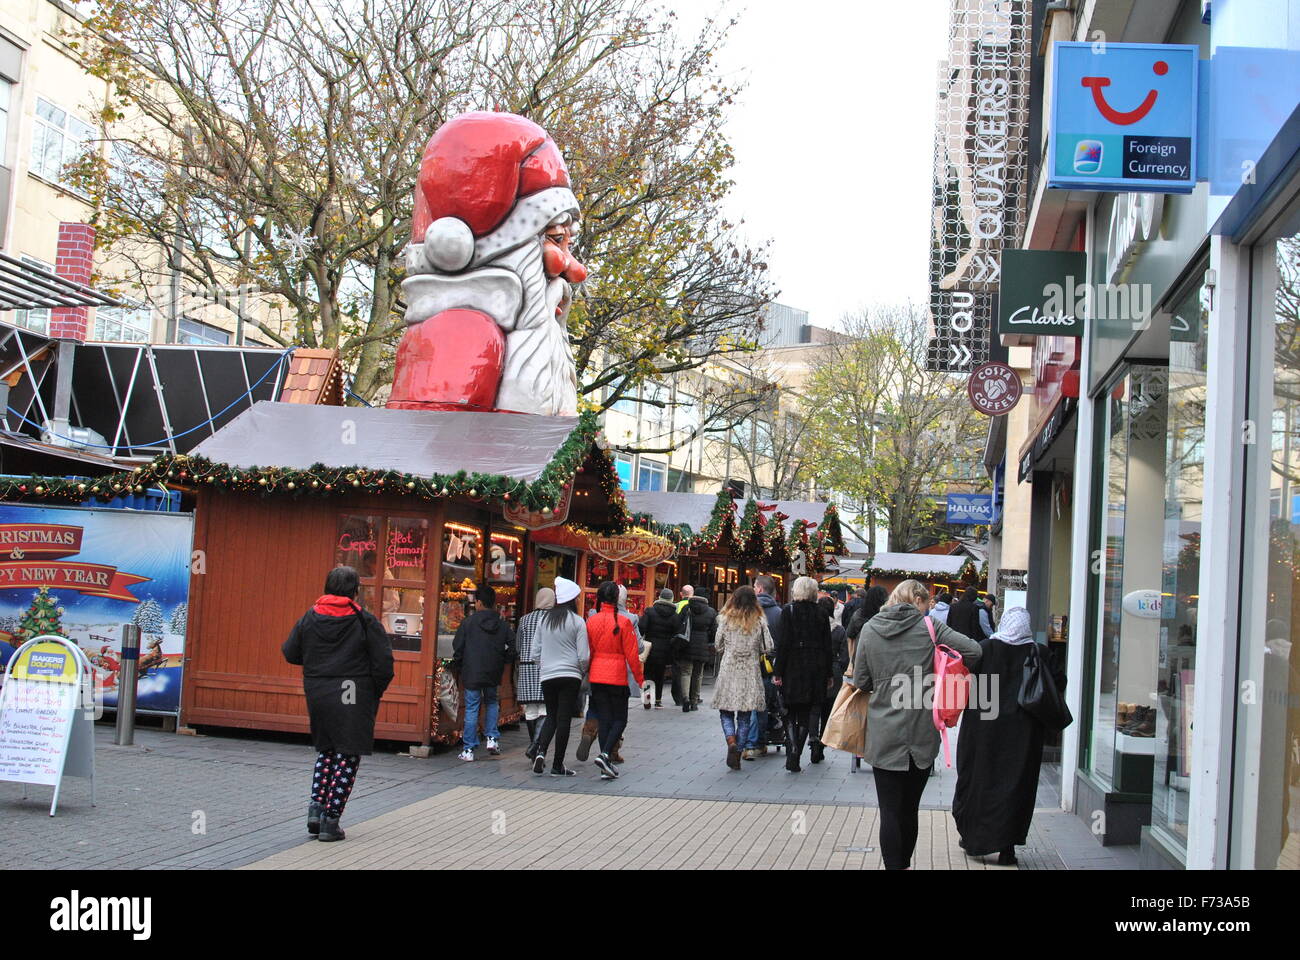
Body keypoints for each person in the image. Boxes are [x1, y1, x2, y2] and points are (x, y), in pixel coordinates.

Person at [851, 579, 983, 870]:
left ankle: (893, 867)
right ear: (920, 601)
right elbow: (974, 650)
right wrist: (942, 670)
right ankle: (905, 864)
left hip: (883, 733)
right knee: (910, 808)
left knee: (889, 810)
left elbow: (861, 681)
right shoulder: (931, 628)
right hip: (922, 733)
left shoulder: (871, 629)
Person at [282, 566, 394, 843]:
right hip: (353, 690)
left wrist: (318, 666)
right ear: (355, 590)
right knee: (348, 752)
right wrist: (372, 692)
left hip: (318, 689)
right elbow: (384, 664)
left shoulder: (309, 617)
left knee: (327, 749)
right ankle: (331, 821)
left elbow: (290, 652)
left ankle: (316, 809)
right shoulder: (363, 620)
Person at [953, 607, 1063, 865]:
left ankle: (973, 838)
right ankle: (1007, 847)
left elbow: (964, 682)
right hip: (1023, 735)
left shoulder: (983, 649)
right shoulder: (1040, 652)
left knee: (978, 780)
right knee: (1016, 787)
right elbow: (1058, 684)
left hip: (983, 731)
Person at [773, 576, 834, 773]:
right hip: (815, 667)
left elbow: (782, 644)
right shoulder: (822, 613)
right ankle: (797, 751)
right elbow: (827, 646)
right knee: (808, 713)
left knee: (790, 711)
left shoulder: (788, 611)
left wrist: (778, 671)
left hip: (792, 665)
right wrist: (829, 673)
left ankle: (792, 749)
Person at [529, 577, 589, 777]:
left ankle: (540, 752)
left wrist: (544, 665)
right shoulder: (577, 622)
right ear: (573, 600)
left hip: (548, 675)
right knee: (564, 719)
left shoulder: (544, 620)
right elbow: (583, 655)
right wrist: (581, 670)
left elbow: (535, 651)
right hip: (570, 675)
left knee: (551, 716)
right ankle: (557, 765)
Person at [451, 584, 516, 762]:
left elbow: (457, 647)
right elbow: (513, 646)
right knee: (492, 702)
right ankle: (492, 738)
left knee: (472, 707)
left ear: (478, 602)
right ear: (493, 603)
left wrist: (460, 664)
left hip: (471, 671)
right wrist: (504, 661)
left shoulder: (468, 623)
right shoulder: (502, 625)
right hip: (493, 671)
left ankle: (469, 749)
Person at [711, 586, 774, 769]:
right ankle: (738, 749)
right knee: (745, 716)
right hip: (750, 671)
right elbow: (767, 646)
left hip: (729, 669)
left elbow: (717, 644)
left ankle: (731, 740)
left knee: (726, 711)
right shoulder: (759, 620)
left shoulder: (725, 618)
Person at [586, 581, 644, 779]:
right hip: (617, 676)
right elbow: (632, 654)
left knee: (604, 719)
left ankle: (606, 763)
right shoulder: (624, 622)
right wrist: (640, 678)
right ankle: (605, 755)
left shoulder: (591, 621)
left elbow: (589, 652)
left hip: (597, 674)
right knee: (620, 719)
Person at [746, 575, 785, 758]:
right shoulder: (779, 613)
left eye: (755, 586)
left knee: (750, 705)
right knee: (762, 704)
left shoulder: (749, 611)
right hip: (771, 666)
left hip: (749, 664)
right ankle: (757, 741)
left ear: (760, 589)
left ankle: (751, 742)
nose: (754, 589)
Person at [810, 594, 849, 763]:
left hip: (814, 671)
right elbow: (845, 658)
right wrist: (838, 668)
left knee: (814, 707)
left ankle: (812, 738)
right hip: (833, 671)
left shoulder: (811, 628)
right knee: (828, 709)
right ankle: (822, 740)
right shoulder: (839, 630)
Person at [516, 587, 554, 754]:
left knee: (530, 710)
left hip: (526, 667)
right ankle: (536, 746)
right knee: (545, 709)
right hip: (547, 666)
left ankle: (534, 745)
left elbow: (518, 645)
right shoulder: (554, 619)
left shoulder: (525, 620)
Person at [639, 587, 685, 708]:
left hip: (650, 649)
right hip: (666, 650)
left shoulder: (650, 611)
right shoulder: (675, 616)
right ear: (671, 599)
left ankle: (647, 700)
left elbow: (642, 627)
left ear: (659, 598)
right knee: (660, 675)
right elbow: (679, 632)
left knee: (648, 673)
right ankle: (658, 700)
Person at [679, 584, 717, 712]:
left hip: (686, 644)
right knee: (698, 674)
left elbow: (678, 624)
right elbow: (714, 631)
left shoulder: (687, 608)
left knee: (686, 672)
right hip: (702, 646)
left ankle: (685, 699)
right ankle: (694, 701)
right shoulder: (711, 612)